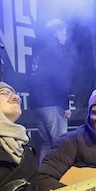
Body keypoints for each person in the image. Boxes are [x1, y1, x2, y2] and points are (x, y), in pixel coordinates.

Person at [29, 19, 73, 162]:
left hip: (37, 103)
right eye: (64, 33)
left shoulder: (38, 50)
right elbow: (59, 78)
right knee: (60, 144)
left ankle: (42, 174)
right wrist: (65, 106)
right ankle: (59, 175)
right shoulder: (55, 48)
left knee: (47, 144)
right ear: (57, 32)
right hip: (52, 103)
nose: (66, 38)